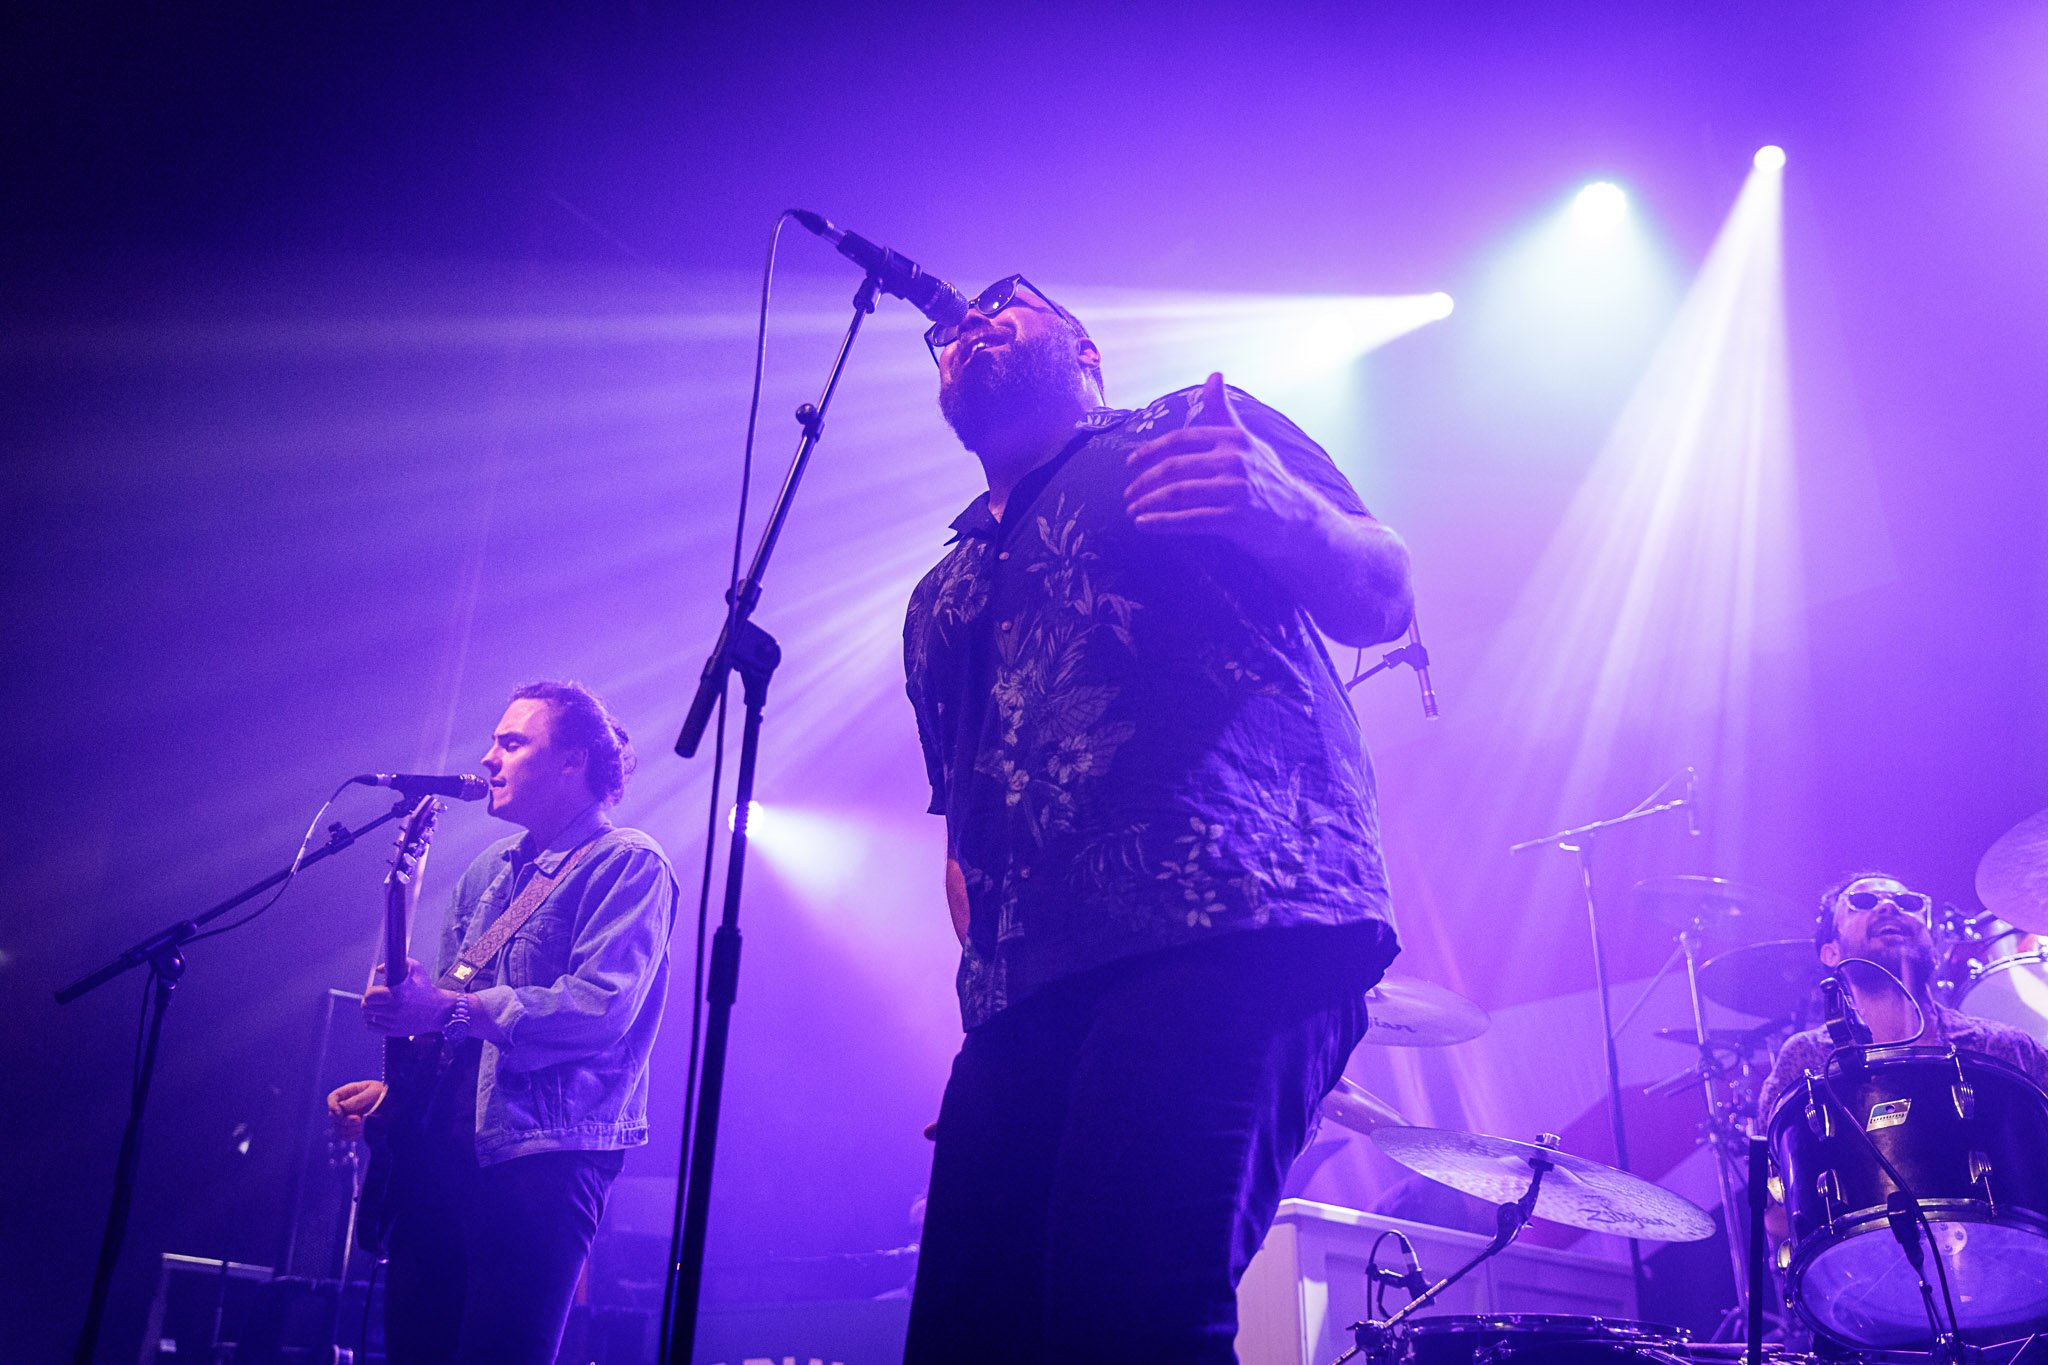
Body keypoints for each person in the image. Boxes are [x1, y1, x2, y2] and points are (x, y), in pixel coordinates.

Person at [900, 274, 1414, 1362]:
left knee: (1130, 1314)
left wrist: (1287, 512)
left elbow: (1381, 594)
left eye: (1006, 302)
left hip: (1231, 919)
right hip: (1022, 996)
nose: (966, 324)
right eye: (948, 327)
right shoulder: (938, 595)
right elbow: (965, 839)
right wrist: (988, 1018)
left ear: (1084, 350)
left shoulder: (1189, 426)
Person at [327, 681, 677, 1365]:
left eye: (511, 742)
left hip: (538, 1163)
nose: (488, 758)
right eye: (492, 741)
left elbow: (600, 1007)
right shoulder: (489, 869)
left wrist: (449, 1008)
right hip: (440, 1158)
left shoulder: (627, 860)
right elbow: (459, 1014)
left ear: (573, 760)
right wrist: (404, 1085)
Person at [1755, 871, 2048, 1129]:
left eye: (1908, 903)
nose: (1888, 905)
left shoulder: (2005, 1048)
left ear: (1934, 949)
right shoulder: (1807, 1058)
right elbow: (1779, 1176)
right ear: (1831, 953)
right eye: (1863, 901)